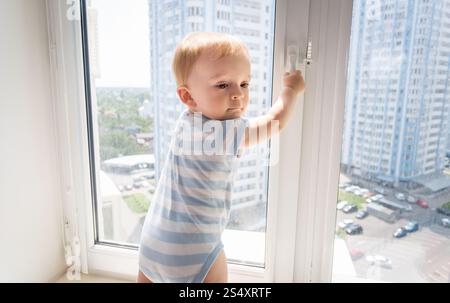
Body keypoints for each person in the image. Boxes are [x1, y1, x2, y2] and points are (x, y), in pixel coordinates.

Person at [137, 32, 304, 283]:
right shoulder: (224, 132)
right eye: (223, 85)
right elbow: (274, 123)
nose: (238, 94)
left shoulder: (186, 122)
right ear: (188, 97)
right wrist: (291, 90)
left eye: (244, 84)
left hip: (152, 242)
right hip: (194, 250)